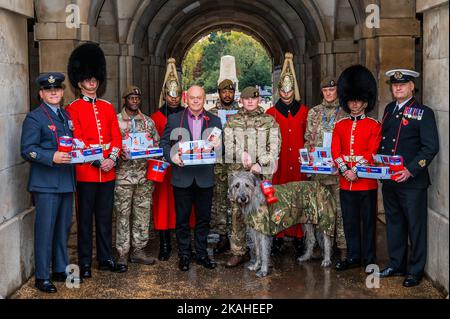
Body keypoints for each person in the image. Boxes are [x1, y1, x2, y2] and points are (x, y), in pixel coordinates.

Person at [66, 43, 125, 278]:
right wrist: (97, 161)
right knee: (84, 220)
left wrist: (111, 158)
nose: (92, 82)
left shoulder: (107, 107)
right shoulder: (73, 108)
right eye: (87, 79)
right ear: (79, 82)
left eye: (94, 79)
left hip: (108, 172)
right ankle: (85, 262)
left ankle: (104, 257)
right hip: (86, 173)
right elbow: (77, 139)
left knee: (104, 217)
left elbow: (115, 136)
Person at [376, 69, 439, 287]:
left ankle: (415, 270)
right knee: (394, 224)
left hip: (412, 182)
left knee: (415, 226)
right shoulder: (389, 109)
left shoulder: (423, 112)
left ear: (412, 86)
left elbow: (430, 148)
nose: (398, 88)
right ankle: (396, 264)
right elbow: (384, 142)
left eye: (403, 84)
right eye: (394, 85)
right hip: (390, 180)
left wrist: (410, 170)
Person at [21, 73, 78, 293]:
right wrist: (50, 157)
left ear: (63, 92)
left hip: (65, 181)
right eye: (49, 90)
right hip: (46, 184)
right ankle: (42, 276)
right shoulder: (35, 118)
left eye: (57, 89)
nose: (54, 93)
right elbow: (27, 150)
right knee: (45, 230)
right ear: (41, 94)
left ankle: (60, 268)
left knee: (63, 228)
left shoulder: (64, 116)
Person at [160, 85, 222, 272]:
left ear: (204, 99)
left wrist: (219, 146)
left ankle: (202, 254)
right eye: (192, 98)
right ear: (186, 99)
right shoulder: (173, 119)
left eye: (199, 98)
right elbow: (163, 143)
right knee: (182, 220)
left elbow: (222, 150)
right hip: (182, 176)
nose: (196, 101)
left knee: (203, 219)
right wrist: (172, 156)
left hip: (204, 177)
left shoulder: (215, 120)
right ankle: (185, 254)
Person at [331, 65, 381, 272]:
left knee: (368, 223)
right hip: (346, 182)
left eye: (358, 100)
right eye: (351, 100)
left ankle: (369, 259)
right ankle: (353, 256)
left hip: (366, 183)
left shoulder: (373, 125)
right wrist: (345, 170)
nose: (354, 104)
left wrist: (356, 171)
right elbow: (336, 150)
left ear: (365, 102)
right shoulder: (340, 125)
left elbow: (372, 151)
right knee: (349, 222)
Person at [224, 86, 281, 267]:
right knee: (236, 215)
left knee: (262, 214)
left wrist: (260, 163)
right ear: (241, 100)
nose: (250, 102)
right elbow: (227, 144)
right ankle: (238, 251)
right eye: (246, 99)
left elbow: (275, 147)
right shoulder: (232, 121)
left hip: (261, 178)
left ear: (259, 100)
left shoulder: (269, 121)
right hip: (237, 178)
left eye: (253, 99)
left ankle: (262, 254)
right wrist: (241, 154)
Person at [266, 53, 308, 258]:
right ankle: (278, 237)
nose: (286, 92)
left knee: (298, 201)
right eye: (283, 89)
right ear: (278, 89)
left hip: (298, 166)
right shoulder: (270, 113)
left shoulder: (305, 112)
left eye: (289, 89)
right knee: (279, 201)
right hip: (279, 166)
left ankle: (299, 237)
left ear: (294, 89)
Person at [114, 85, 160, 270]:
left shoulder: (148, 122)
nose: (134, 101)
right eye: (131, 98)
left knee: (142, 214)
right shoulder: (115, 121)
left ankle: (138, 250)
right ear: (124, 100)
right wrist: (118, 154)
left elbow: (157, 145)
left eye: (137, 98)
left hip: (143, 177)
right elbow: (109, 146)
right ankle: (123, 252)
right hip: (123, 177)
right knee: (122, 215)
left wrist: (153, 151)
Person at [304, 77, 347, 260]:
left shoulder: (345, 112)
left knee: (340, 211)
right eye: (325, 90)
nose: (329, 93)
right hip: (318, 173)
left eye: (332, 90)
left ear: (337, 91)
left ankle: (343, 247)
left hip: (338, 173)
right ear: (322, 92)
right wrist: (308, 161)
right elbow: (308, 139)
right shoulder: (314, 112)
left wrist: (343, 164)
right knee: (319, 211)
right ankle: (320, 246)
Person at [150, 58, 186, 261]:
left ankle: (183, 243)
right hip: (164, 167)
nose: (173, 99)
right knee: (163, 206)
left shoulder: (187, 114)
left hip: (183, 167)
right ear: (165, 95)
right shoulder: (155, 117)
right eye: (170, 95)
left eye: (177, 95)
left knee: (182, 205)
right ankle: (164, 244)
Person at [208, 79, 240, 254]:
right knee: (220, 200)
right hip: (218, 163)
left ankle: (237, 236)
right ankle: (222, 236)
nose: (227, 95)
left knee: (235, 200)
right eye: (224, 92)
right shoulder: (211, 113)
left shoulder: (241, 112)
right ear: (219, 93)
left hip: (236, 163)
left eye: (230, 92)